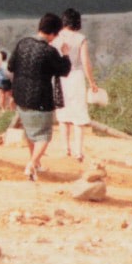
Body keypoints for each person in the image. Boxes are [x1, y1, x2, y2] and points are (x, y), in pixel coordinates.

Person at [11, 12, 73, 181]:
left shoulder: (22, 44)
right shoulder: (49, 51)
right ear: (53, 33)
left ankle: (35, 163)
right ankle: (31, 164)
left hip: (20, 95)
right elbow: (64, 70)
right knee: (44, 135)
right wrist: (66, 54)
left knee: (31, 133)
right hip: (40, 97)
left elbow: (11, 65)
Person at [55, 8, 98, 162]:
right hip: (76, 76)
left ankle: (65, 148)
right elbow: (85, 61)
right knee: (78, 114)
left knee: (63, 113)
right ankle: (78, 151)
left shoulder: (57, 37)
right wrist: (92, 81)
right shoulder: (81, 38)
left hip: (60, 76)